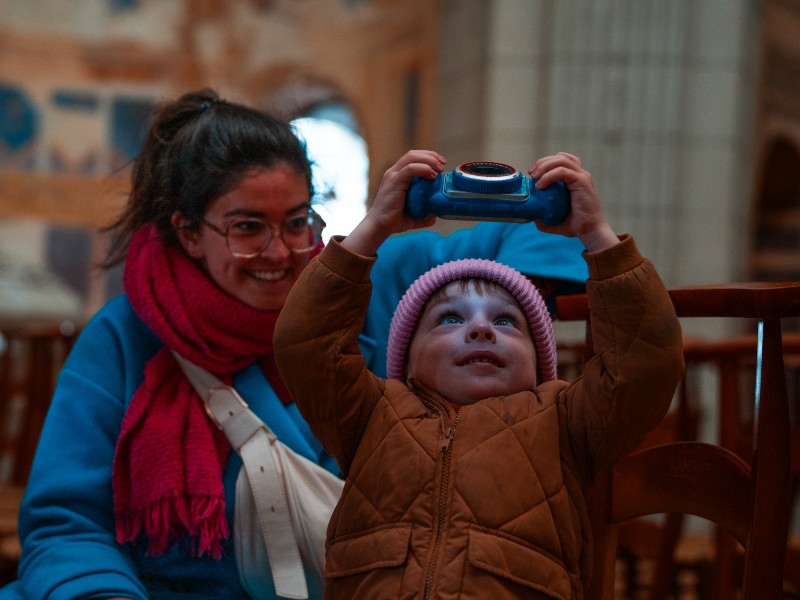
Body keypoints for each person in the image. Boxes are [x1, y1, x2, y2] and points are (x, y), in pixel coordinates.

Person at [0, 88, 589, 600]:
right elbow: (67, 526)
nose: (282, 253)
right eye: (247, 227)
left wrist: (529, 232)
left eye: (297, 221)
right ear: (188, 232)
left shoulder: (364, 292)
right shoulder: (127, 334)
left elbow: (528, 250)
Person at [273, 151, 685, 598]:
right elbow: (307, 343)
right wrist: (374, 228)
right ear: (407, 357)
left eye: (507, 321)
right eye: (450, 318)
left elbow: (645, 365)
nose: (481, 328)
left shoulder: (567, 424)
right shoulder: (369, 413)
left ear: (539, 362)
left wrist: (596, 234)